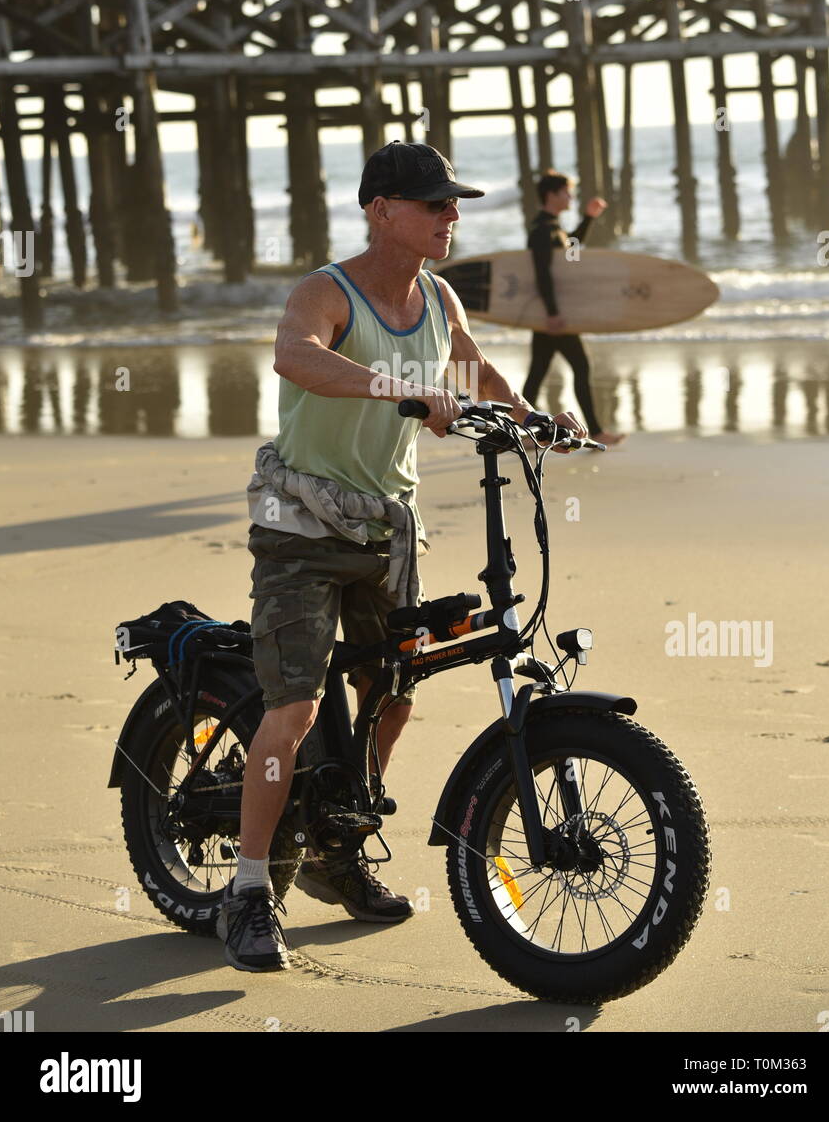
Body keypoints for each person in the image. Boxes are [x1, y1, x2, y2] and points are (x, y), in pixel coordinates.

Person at [217, 140, 586, 972]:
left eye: (454, 203)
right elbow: (295, 357)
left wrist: (534, 417)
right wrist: (403, 392)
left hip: (387, 525)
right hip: (301, 525)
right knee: (296, 706)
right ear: (382, 210)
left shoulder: (436, 295)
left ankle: (333, 843)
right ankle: (246, 890)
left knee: (394, 691)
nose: (452, 215)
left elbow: (471, 365)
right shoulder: (326, 291)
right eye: (435, 203)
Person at [522, 170, 625, 447]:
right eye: (567, 192)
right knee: (580, 366)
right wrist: (553, 313)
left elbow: (571, 250)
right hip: (552, 316)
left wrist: (589, 218)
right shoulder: (542, 232)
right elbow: (542, 274)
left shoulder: (552, 227)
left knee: (538, 373)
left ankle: (524, 432)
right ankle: (596, 430)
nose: (572, 197)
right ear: (552, 195)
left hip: (549, 315)